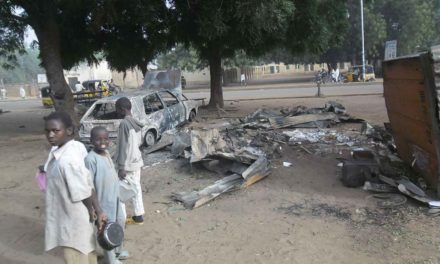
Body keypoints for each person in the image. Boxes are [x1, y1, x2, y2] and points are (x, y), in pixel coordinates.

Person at [43, 111, 106, 264]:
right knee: (88, 255)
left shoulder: (67, 161)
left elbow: (84, 191)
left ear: (69, 131)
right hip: (78, 220)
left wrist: (96, 211)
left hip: (73, 222)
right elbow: (86, 180)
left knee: (77, 256)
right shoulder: (76, 147)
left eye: (55, 131)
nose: (50, 135)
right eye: (47, 131)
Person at [85, 127, 129, 263]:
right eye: (98, 139)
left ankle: (117, 251)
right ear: (91, 140)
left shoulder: (107, 153)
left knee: (119, 223)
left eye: (105, 139)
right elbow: (89, 185)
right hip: (103, 201)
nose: (102, 142)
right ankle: (110, 260)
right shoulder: (90, 159)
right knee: (106, 229)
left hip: (115, 198)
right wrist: (95, 208)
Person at [114, 97, 145, 225]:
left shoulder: (124, 124)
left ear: (122, 110)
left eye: (116, 109)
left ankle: (121, 219)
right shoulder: (136, 123)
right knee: (136, 189)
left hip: (127, 165)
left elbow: (122, 147)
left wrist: (121, 167)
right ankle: (139, 216)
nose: (116, 112)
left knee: (120, 191)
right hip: (137, 161)